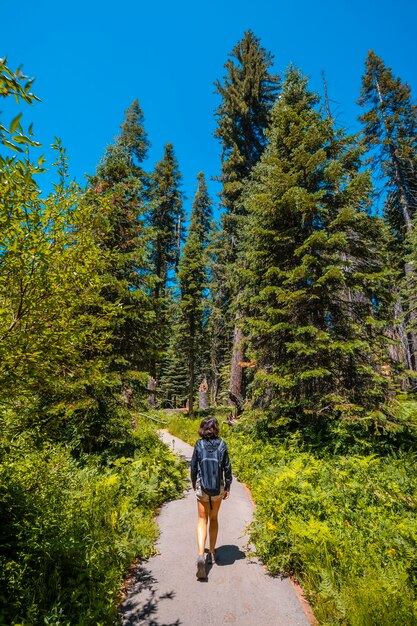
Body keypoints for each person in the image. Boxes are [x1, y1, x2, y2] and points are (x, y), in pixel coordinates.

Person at [190, 417, 232, 579]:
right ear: (216, 429)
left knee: (202, 519)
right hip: (217, 487)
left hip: (203, 486)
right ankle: (212, 552)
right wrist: (227, 486)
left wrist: (194, 483)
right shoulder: (222, 444)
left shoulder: (199, 444)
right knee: (213, 518)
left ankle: (201, 554)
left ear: (202, 428)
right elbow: (227, 468)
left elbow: (194, 466)